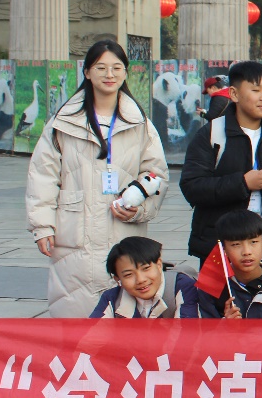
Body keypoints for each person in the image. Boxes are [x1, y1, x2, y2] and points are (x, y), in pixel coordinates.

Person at [26, 40, 169, 318]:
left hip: (123, 230)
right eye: (101, 67)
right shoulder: (62, 122)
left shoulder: (140, 123)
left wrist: (139, 208)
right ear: (87, 72)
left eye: (117, 67)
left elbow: (157, 174)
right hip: (74, 232)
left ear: (125, 72)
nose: (109, 74)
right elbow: (42, 175)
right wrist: (42, 226)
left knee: (124, 314)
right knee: (74, 311)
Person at [180, 61, 262, 264]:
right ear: (234, 94)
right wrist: (243, 183)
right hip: (221, 250)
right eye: (256, 90)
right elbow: (192, 186)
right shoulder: (212, 134)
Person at [196, 210, 262, 319]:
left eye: (253, 242)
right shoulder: (212, 287)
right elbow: (204, 328)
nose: (246, 252)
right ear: (224, 250)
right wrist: (225, 325)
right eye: (236, 244)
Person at [90, 236, 198, 318]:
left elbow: (187, 332)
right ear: (118, 279)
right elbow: (92, 333)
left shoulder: (181, 286)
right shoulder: (112, 298)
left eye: (146, 268)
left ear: (159, 265)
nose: (141, 280)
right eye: (128, 275)